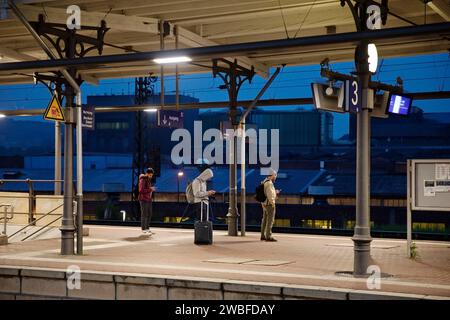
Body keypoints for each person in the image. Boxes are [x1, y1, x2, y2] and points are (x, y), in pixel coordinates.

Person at [261, 168, 280, 242]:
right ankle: (268, 236)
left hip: (264, 204)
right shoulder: (269, 183)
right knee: (270, 220)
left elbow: (265, 194)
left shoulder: (264, 182)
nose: (275, 177)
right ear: (272, 175)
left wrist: (275, 192)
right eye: (275, 176)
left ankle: (263, 235)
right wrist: (273, 203)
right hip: (269, 205)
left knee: (265, 220)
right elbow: (269, 195)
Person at [138, 168, 156, 235]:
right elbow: (141, 190)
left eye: (152, 175)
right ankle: (143, 229)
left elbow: (147, 189)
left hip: (148, 199)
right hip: (143, 199)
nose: (151, 176)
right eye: (150, 175)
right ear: (147, 173)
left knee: (149, 214)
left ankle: (147, 228)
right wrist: (150, 189)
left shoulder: (148, 180)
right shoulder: (143, 179)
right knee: (144, 214)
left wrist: (151, 189)